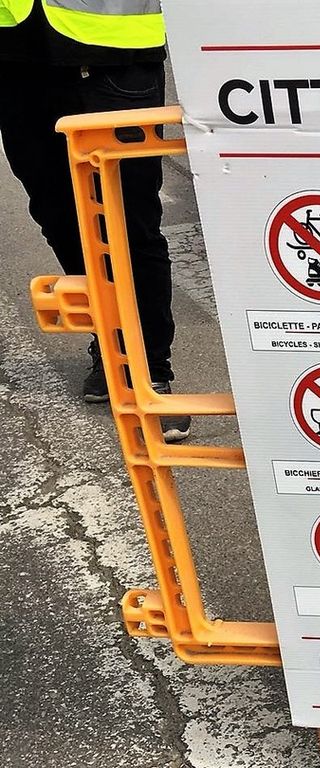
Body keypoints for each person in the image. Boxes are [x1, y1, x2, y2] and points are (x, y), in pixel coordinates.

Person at [0, 0, 190, 442]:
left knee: (128, 221)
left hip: (115, 53)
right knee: (59, 215)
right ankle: (111, 339)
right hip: (15, 55)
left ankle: (150, 371)